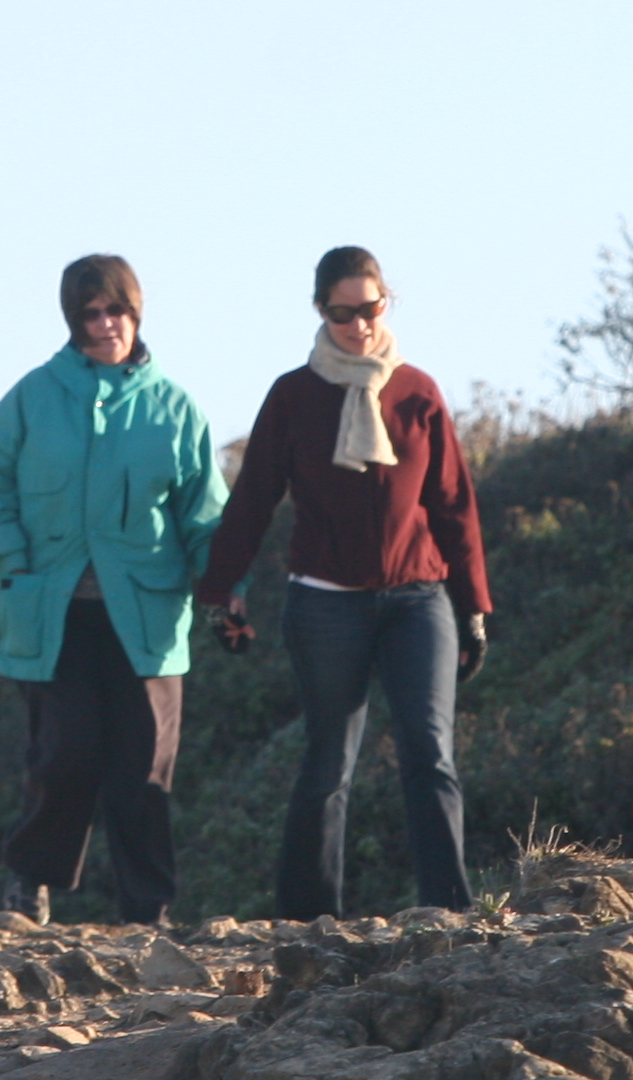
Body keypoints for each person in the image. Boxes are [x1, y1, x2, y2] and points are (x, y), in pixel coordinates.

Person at [199, 246, 493, 918]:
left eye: (370, 309)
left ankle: (449, 912)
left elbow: (453, 504)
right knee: (330, 762)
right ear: (320, 311)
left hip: (418, 600)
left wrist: (473, 606)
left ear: (387, 303)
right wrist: (222, 590)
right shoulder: (294, 395)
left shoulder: (418, 391)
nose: (359, 325)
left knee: (430, 753)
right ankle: (308, 922)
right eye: (342, 313)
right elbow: (254, 499)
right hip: (326, 604)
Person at [0, 253, 227, 925]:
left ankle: (148, 912)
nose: (106, 325)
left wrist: (228, 589)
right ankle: (30, 881)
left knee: (145, 769)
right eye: (90, 314)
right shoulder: (32, 397)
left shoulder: (176, 408)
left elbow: (205, 514)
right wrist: (11, 559)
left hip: (147, 620)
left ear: (137, 312)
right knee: (66, 753)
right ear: (72, 321)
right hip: (52, 614)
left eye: (116, 310)